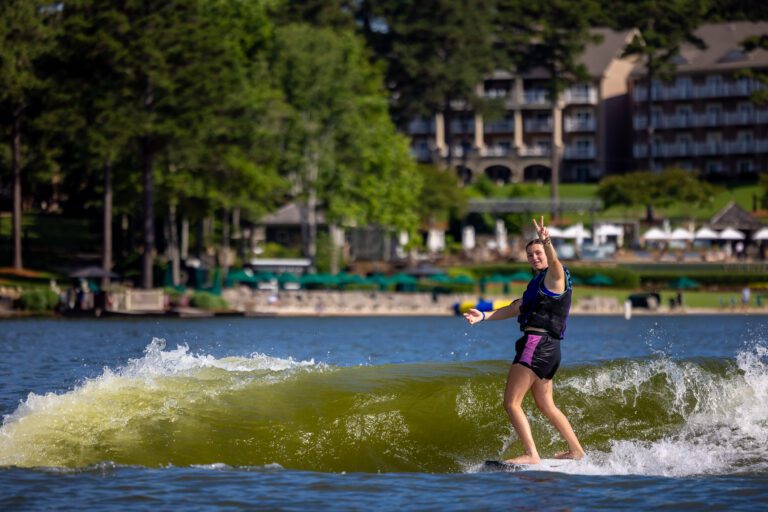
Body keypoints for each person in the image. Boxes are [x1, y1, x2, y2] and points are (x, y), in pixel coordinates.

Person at [464, 217, 585, 465]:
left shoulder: (555, 276)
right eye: (530, 254)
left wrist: (547, 240)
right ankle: (576, 451)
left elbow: (554, 261)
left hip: (536, 345)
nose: (534, 257)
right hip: (551, 349)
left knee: (511, 402)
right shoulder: (537, 284)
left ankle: (531, 454)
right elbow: (515, 308)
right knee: (545, 404)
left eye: (538, 252)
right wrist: (483, 316)